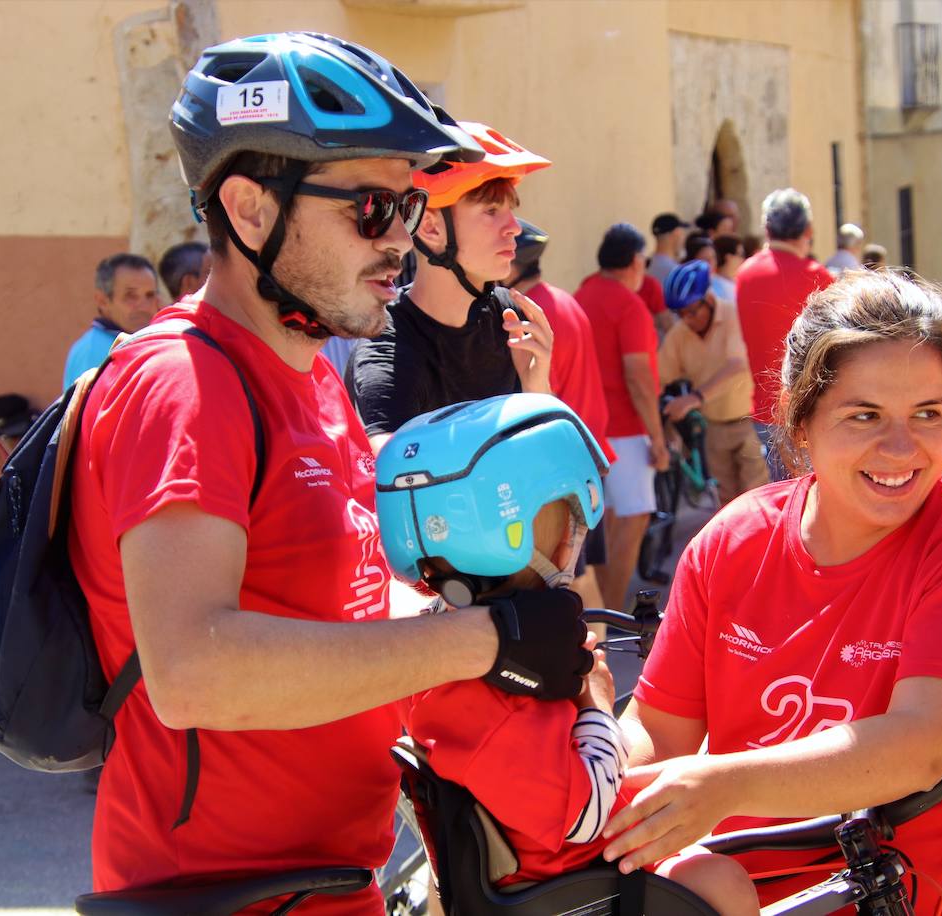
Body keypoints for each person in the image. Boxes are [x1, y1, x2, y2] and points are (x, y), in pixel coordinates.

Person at [69, 33, 592, 910]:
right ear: (249, 208)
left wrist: (502, 617)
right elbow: (195, 669)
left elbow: (343, 600)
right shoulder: (186, 384)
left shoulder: (310, 377)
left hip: (329, 880)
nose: (402, 241)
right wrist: (480, 641)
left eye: (409, 207)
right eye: (372, 209)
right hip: (229, 894)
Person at [602, 270, 942, 915]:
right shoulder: (732, 543)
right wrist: (594, 779)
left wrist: (719, 787)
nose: (901, 446)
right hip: (766, 897)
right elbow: (661, 728)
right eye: (864, 415)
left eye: (928, 414)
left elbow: (918, 748)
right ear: (800, 424)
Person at [378, 394, 761, 914]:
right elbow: (585, 813)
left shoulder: (431, 660)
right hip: (576, 883)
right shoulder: (495, 708)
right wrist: (597, 701)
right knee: (724, 879)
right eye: (569, 524)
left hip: (542, 873)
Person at [346, 120, 554, 450]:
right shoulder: (388, 343)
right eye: (491, 210)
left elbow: (544, 453)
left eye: (510, 211)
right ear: (430, 228)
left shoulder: (507, 315)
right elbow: (389, 468)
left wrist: (538, 390)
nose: (515, 227)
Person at [504, 219, 614, 615]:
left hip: (561, 468)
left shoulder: (528, 319)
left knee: (572, 587)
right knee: (585, 583)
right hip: (585, 454)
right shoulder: (564, 301)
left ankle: (591, 671)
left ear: (515, 267)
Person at [575, 223, 668, 611]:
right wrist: (659, 439)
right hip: (626, 431)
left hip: (588, 427)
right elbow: (639, 378)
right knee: (633, 519)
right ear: (634, 261)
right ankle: (610, 616)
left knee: (604, 524)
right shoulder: (628, 305)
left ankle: (597, 613)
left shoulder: (583, 293)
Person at [734, 187, 833, 481]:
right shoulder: (819, 276)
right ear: (809, 230)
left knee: (786, 492)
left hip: (767, 409)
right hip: (813, 407)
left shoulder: (745, 274)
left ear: (767, 229)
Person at [659, 260, 765, 505]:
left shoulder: (732, 315)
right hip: (712, 428)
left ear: (708, 298)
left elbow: (736, 365)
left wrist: (694, 398)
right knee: (727, 499)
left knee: (755, 494)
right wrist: (664, 428)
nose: (687, 319)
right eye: (680, 314)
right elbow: (660, 379)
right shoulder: (679, 336)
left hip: (746, 422)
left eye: (693, 311)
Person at [63, 253, 160, 389]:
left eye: (150, 295)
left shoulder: (139, 342)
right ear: (102, 301)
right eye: (131, 295)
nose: (144, 306)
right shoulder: (94, 350)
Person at [648, 212, 690, 286]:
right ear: (676, 234)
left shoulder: (646, 265)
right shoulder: (676, 272)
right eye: (682, 234)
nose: (684, 239)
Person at [709, 234, 744, 304]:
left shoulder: (738, 283)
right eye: (740, 255)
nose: (743, 259)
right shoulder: (712, 285)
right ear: (728, 257)